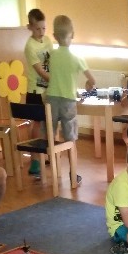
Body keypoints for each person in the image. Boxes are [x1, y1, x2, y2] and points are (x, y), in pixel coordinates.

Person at [46, 14, 96, 187]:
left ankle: (53, 171)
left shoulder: (52, 56)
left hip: (51, 100)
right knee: (70, 138)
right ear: (72, 34)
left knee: (51, 136)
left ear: (54, 36)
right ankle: (73, 175)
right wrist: (88, 86)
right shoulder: (77, 58)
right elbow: (92, 80)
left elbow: (56, 77)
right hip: (68, 101)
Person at [24, 8, 54, 176]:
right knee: (36, 124)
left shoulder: (47, 40)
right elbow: (40, 71)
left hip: (48, 90)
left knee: (48, 122)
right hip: (35, 90)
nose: (41, 32)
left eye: (44, 28)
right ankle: (35, 160)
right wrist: (55, 80)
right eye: (37, 29)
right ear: (30, 27)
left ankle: (47, 153)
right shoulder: (30, 46)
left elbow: (53, 61)